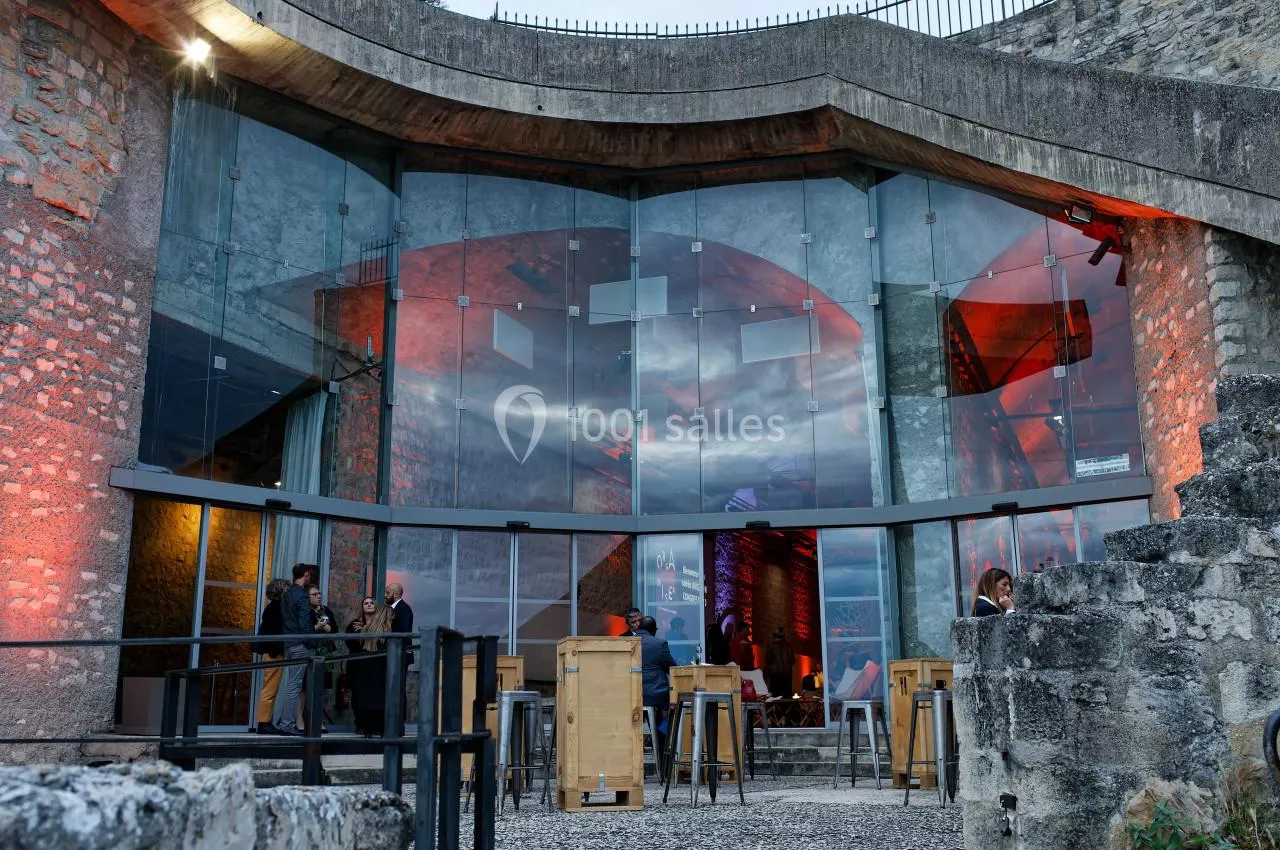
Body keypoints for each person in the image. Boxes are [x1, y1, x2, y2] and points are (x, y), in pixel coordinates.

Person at [275, 563, 316, 737]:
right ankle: (287, 724)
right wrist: (311, 642)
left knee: (292, 685)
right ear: (306, 575)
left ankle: (287, 723)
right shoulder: (302, 595)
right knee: (294, 686)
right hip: (300, 644)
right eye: (309, 575)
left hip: (289, 643)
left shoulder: (287, 594)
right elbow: (304, 622)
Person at [346, 596, 395, 737]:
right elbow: (351, 643)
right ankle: (361, 725)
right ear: (362, 608)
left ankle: (376, 726)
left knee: (376, 696)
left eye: (371, 603)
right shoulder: (355, 624)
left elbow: (383, 642)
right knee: (359, 695)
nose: (368, 605)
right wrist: (363, 632)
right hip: (359, 664)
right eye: (365, 603)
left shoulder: (382, 623)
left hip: (376, 664)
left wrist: (365, 630)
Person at [637, 616, 676, 776]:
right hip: (655, 696)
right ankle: (664, 767)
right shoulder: (659, 644)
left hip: (633, 695)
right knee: (669, 717)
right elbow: (672, 668)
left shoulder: (627, 644)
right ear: (654, 630)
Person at [252, 579, 290, 734]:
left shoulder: (275, 608)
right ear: (280, 591)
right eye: (286, 588)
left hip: (274, 650)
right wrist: (276, 650)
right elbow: (271, 632)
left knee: (272, 688)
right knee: (270, 688)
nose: (288, 591)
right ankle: (264, 722)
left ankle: (266, 721)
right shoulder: (275, 609)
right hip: (273, 651)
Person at [305, 585, 340, 733]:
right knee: (307, 688)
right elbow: (303, 631)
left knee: (323, 689)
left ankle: (319, 720)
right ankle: (306, 721)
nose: (318, 596)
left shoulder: (326, 610)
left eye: (319, 593)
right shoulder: (305, 612)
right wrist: (316, 627)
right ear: (307, 597)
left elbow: (336, 628)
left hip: (326, 655)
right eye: (314, 594)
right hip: (310, 653)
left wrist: (330, 629)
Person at [385, 582, 414, 733]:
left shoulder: (403, 609)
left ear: (395, 594)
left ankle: (398, 725)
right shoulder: (394, 609)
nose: (385, 595)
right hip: (396, 654)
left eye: (387, 592)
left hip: (400, 654)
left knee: (398, 689)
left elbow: (402, 633)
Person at [764, 627, 795, 698]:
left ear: (774, 636)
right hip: (787, 676)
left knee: (776, 699)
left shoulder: (771, 646)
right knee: (786, 698)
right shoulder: (789, 646)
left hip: (775, 676)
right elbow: (793, 661)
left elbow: (767, 661)